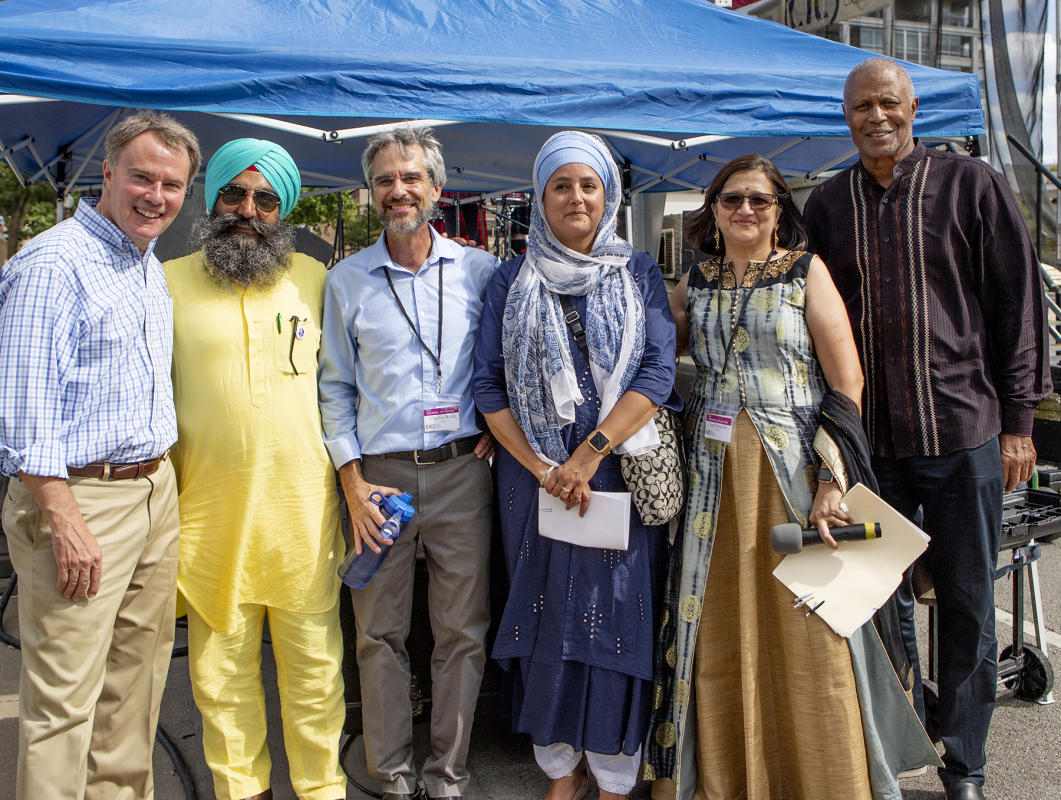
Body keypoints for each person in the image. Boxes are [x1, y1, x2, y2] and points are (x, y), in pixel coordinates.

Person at [646, 154, 938, 800]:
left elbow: (846, 380)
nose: (745, 210)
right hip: (713, 485)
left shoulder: (806, 273)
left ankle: (824, 777)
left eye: (759, 200)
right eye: (731, 199)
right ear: (712, 209)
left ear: (780, 210)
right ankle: (724, 776)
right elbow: (651, 349)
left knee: (810, 625)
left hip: (794, 476)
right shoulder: (695, 280)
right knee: (714, 624)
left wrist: (832, 479)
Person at [803, 58, 1051, 800]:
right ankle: (895, 738)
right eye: (859, 107)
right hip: (869, 447)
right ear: (843, 117)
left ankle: (963, 764)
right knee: (868, 604)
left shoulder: (970, 185)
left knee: (970, 605)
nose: (874, 117)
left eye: (887, 103)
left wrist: (1017, 424)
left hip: (962, 434)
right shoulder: (827, 204)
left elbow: (1017, 305)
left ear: (912, 108)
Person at [473, 131, 679, 800]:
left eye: (587, 184)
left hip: (613, 472)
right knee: (545, 616)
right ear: (538, 197)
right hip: (533, 482)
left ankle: (615, 772)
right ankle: (560, 769)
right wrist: (541, 467)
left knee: (617, 616)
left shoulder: (637, 272)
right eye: (560, 185)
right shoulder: (510, 279)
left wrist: (587, 456)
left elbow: (656, 370)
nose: (575, 197)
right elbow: (487, 384)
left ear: (609, 194)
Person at [0, 110, 200, 800]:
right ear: (107, 172)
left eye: (171, 184)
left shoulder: (143, 265)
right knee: (64, 704)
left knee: (134, 691)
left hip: (151, 490)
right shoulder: (53, 264)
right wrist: (63, 517)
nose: (156, 195)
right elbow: (23, 415)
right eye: (142, 177)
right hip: (80, 497)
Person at [317, 126, 498, 800]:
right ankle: (389, 772)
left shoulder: (480, 271)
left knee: (461, 630)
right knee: (378, 633)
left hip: (461, 474)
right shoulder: (346, 281)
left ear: (436, 188)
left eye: (410, 177)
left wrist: (493, 425)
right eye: (385, 180)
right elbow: (332, 385)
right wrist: (351, 479)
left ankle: (447, 772)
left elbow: (501, 363)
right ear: (371, 194)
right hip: (379, 481)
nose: (398, 190)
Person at [165, 138, 347, 800]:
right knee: (221, 682)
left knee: (315, 674)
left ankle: (321, 790)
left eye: (265, 199)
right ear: (210, 200)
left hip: (302, 519)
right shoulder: (166, 283)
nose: (248, 209)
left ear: (285, 210)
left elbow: (349, 391)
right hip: (210, 520)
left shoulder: (318, 282)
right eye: (234, 195)